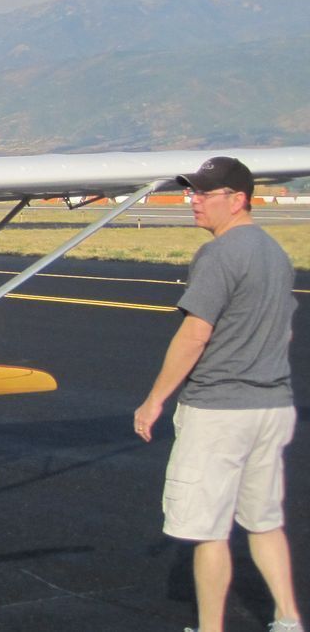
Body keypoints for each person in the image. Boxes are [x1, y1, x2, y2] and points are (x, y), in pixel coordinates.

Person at [134, 157, 301, 632]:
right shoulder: (275, 253)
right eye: (193, 193)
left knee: (209, 532)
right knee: (265, 521)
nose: (194, 201)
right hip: (271, 406)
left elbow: (194, 334)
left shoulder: (220, 254)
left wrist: (154, 401)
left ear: (238, 199)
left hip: (219, 412)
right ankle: (288, 618)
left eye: (205, 194)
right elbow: (284, 334)